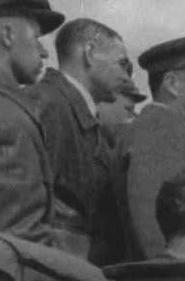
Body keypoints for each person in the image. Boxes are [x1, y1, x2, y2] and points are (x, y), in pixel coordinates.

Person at [24, 16, 126, 259]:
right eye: (122, 64)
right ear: (90, 53)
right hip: (55, 269)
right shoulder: (49, 104)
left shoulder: (70, 107)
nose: (126, 77)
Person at [0, 0, 62, 243]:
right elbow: (18, 228)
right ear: (8, 35)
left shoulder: (9, 102)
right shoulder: (3, 108)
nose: (44, 52)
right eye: (36, 38)